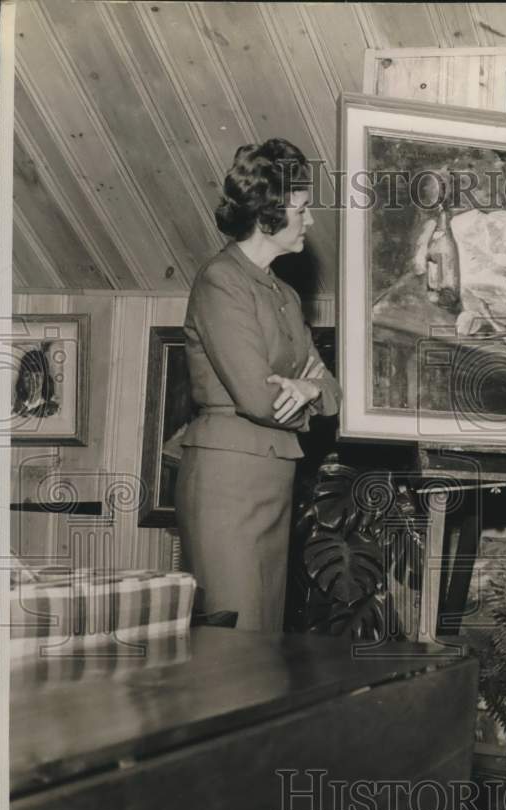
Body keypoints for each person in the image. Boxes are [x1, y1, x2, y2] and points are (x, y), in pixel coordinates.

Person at [176, 138, 341, 632]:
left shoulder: (285, 294)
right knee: (233, 643)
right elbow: (259, 398)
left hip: (273, 479)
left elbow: (330, 389)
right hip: (226, 483)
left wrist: (310, 390)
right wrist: (299, 389)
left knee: (263, 642)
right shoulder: (220, 281)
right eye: (301, 209)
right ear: (269, 216)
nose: (309, 221)